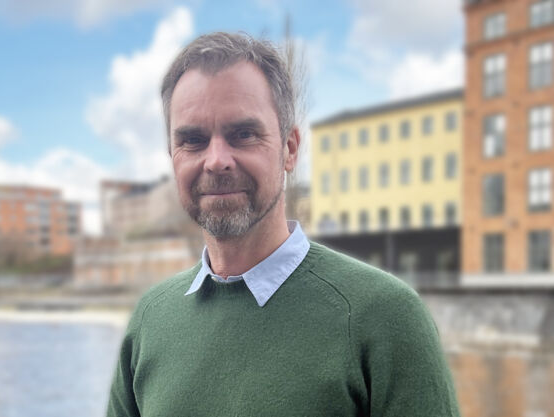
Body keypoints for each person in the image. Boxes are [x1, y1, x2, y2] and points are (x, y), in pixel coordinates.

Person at [105, 32, 460, 417]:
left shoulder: (386, 317)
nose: (216, 160)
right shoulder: (150, 319)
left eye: (243, 134)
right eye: (192, 140)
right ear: (173, 156)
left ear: (290, 149)